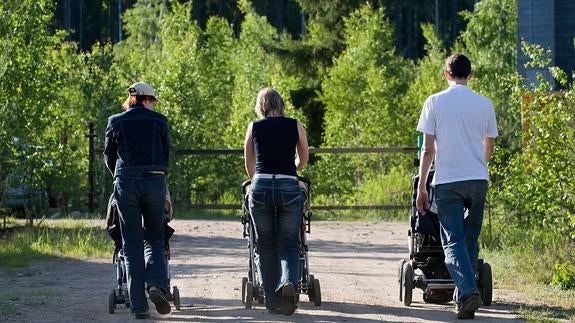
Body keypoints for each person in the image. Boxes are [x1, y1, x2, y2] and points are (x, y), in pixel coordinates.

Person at [415, 54, 498, 320]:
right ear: (470, 75)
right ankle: (466, 297)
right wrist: (478, 165)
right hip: (478, 179)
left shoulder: (434, 102)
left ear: (446, 74)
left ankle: (467, 292)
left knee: (452, 241)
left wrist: (422, 187)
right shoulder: (484, 104)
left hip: (448, 180)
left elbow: (428, 150)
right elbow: (489, 145)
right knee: (469, 239)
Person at [103, 81, 171, 319]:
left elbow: (109, 156)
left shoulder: (115, 121)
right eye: (153, 100)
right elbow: (165, 154)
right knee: (154, 238)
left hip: (126, 182)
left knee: (131, 244)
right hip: (155, 180)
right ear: (147, 99)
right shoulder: (160, 121)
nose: (153, 105)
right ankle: (154, 284)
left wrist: (120, 175)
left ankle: (139, 307)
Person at [243, 87, 309, 315]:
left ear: (261, 106)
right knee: (289, 242)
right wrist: (293, 168)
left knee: (265, 244)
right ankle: (288, 282)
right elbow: (304, 156)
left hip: (260, 185)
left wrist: (257, 180)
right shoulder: (295, 124)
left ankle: (271, 300)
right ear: (280, 105)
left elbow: (248, 162)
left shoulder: (254, 127)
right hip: (288, 185)